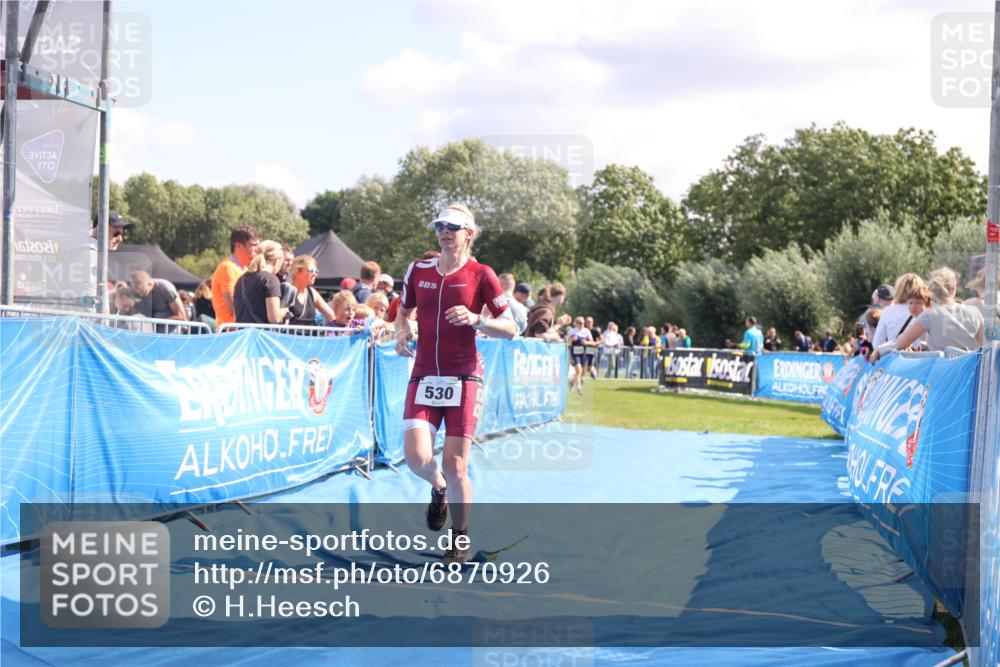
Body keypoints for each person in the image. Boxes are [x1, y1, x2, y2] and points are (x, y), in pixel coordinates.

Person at [394, 204, 516, 564]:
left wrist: (478, 319)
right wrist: (402, 331)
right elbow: (403, 312)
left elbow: (510, 328)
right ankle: (439, 487)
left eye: (453, 227)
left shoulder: (482, 274)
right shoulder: (418, 270)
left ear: (469, 234)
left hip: (464, 376)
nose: (445, 232)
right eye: (440, 226)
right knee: (417, 458)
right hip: (424, 374)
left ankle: (459, 537)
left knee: (456, 463)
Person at [873, 267, 984, 359]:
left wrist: (879, 351)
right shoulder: (974, 312)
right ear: (953, 289)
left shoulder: (929, 315)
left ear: (931, 290)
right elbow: (985, 346)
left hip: (942, 372)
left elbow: (900, 344)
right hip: (971, 373)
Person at [212, 225, 260, 331]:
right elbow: (232, 307)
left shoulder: (245, 269)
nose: (258, 249)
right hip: (230, 332)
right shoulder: (227, 268)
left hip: (242, 330)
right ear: (238, 246)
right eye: (253, 245)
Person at [233, 240, 289, 325]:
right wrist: (286, 310)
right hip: (261, 332)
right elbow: (274, 318)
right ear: (277, 260)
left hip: (242, 332)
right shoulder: (270, 280)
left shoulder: (241, 279)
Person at [873, 273, 924, 349]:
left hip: (895, 355)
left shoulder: (887, 311)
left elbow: (877, 344)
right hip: (919, 355)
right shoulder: (925, 312)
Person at [286, 255, 337, 327]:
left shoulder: (312, 292)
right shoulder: (287, 290)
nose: (315, 274)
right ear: (298, 271)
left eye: (316, 271)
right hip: (290, 334)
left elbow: (331, 316)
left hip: (310, 333)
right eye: (311, 270)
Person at [567, 316, 593, 395]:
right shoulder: (572, 331)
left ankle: (572, 382)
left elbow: (592, 342)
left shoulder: (586, 331)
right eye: (580, 323)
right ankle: (579, 388)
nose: (582, 324)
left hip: (583, 353)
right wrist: (571, 340)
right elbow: (567, 343)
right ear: (576, 323)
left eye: (583, 323)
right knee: (578, 370)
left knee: (582, 372)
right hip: (575, 353)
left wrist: (587, 342)